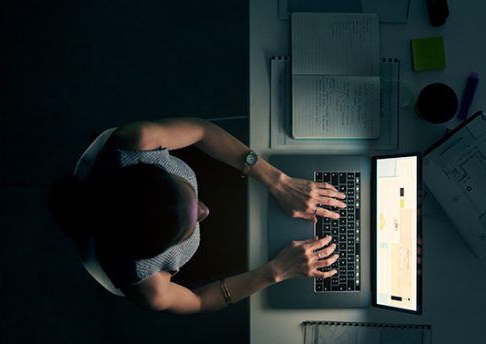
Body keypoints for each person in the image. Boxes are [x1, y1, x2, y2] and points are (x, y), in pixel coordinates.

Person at [49, 117, 347, 314]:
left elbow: (202, 131)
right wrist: (275, 272)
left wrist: (278, 181)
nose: (206, 211)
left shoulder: (136, 142)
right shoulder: (148, 286)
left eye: (191, 199)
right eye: (188, 228)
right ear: (156, 254)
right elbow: (201, 300)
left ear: (149, 164)